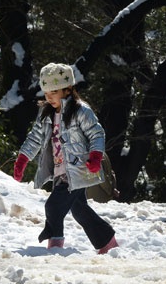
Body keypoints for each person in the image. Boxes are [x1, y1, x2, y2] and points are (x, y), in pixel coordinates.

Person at [13, 62, 118, 254]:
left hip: (79, 169)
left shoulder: (80, 111)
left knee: (53, 206)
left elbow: (96, 134)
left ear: (68, 89)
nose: (49, 97)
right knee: (79, 210)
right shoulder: (46, 113)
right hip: (61, 169)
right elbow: (35, 137)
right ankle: (107, 242)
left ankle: (55, 246)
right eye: (46, 93)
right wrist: (23, 158)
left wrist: (95, 156)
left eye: (54, 92)